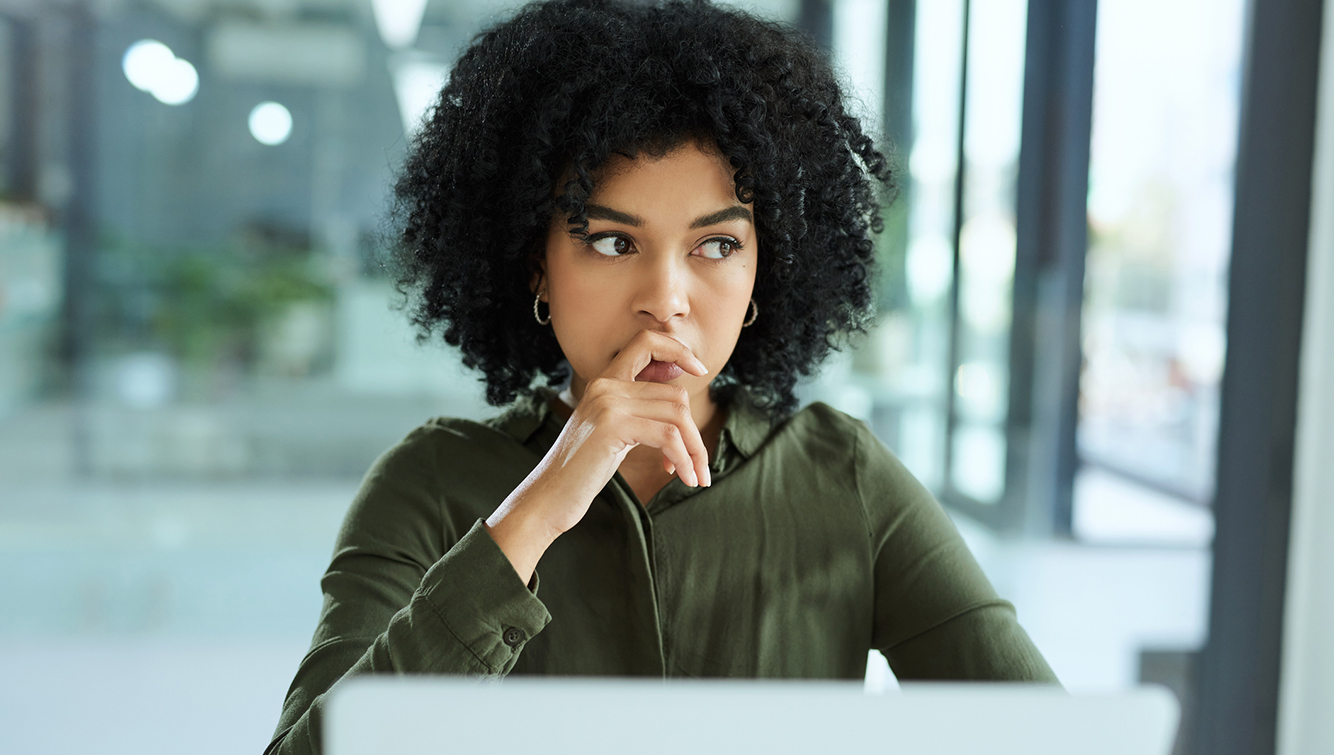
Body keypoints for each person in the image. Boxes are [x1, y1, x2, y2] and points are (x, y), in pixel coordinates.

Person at [265, 0, 1057, 752]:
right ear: (537, 265)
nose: (666, 302)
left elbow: (1044, 734)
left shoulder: (844, 476)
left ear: (764, 273)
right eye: (613, 242)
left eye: (715, 246)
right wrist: (536, 511)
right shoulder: (429, 481)